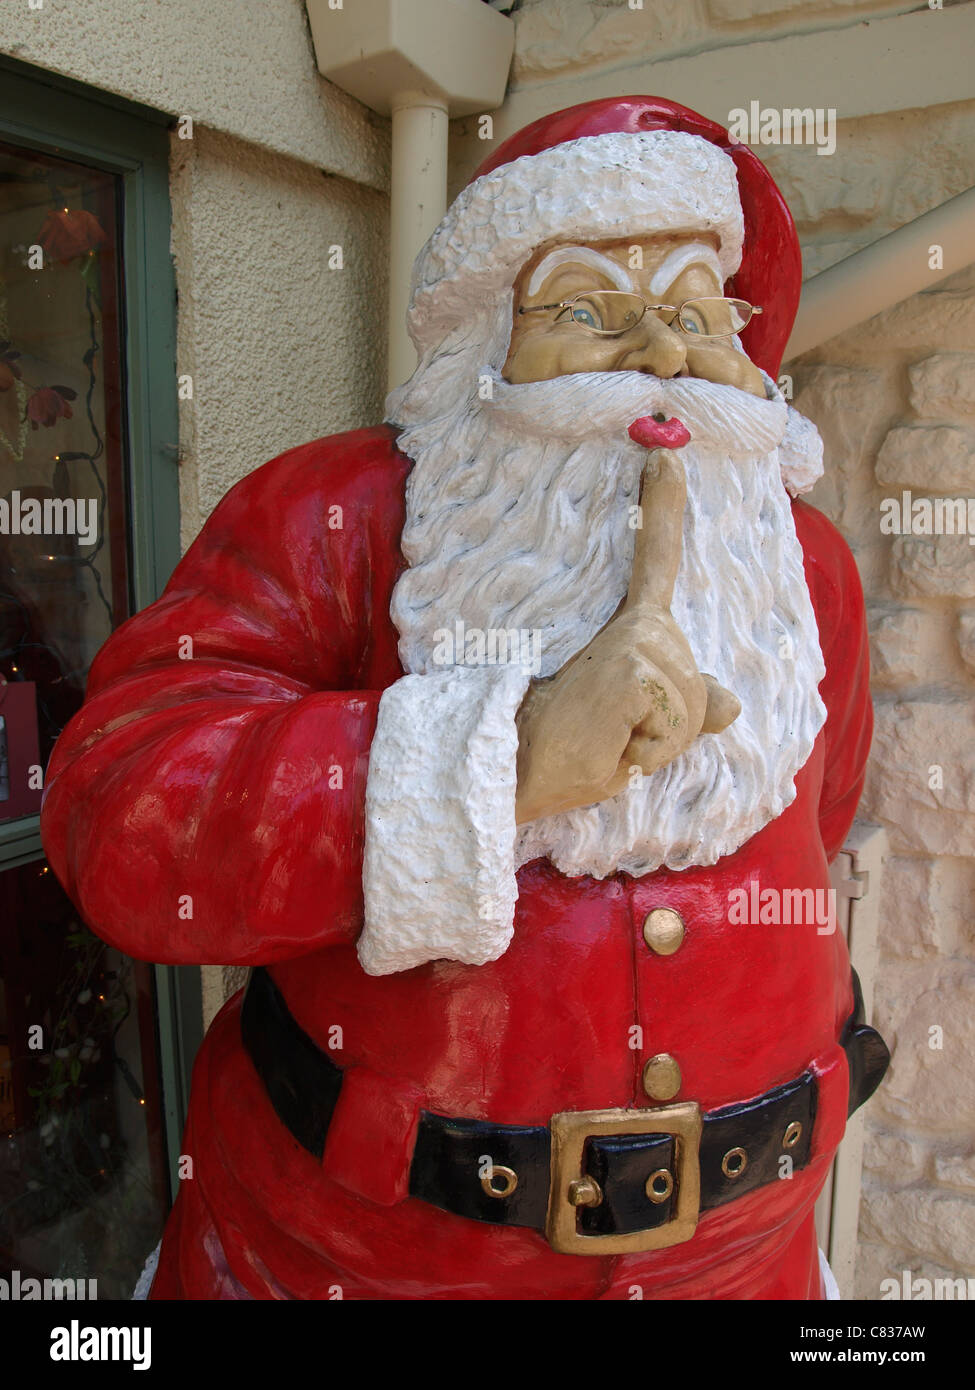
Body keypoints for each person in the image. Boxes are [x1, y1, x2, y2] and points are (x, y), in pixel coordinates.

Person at [40, 96, 888, 1300]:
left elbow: (826, 809)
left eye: (699, 309)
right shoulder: (337, 518)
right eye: (588, 306)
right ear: (486, 343)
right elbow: (120, 809)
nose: (659, 350)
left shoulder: (804, 570)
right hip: (362, 1262)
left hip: (746, 1263)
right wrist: (505, 757)